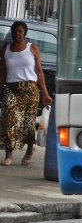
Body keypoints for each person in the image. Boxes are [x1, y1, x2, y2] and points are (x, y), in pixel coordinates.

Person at [0, 20, 53, 166]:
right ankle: (9, 153)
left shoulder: (32, 48)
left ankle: (30, 150)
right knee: (9, 117)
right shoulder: (6, 49)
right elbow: (2, 72)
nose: (17, 34)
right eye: (15, 31)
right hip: (11, 88)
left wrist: (45, 94)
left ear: (25, 33)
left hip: (30, 89)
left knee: (28, 124)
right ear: (11, 33)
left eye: (20, 32)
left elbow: (39, 72)